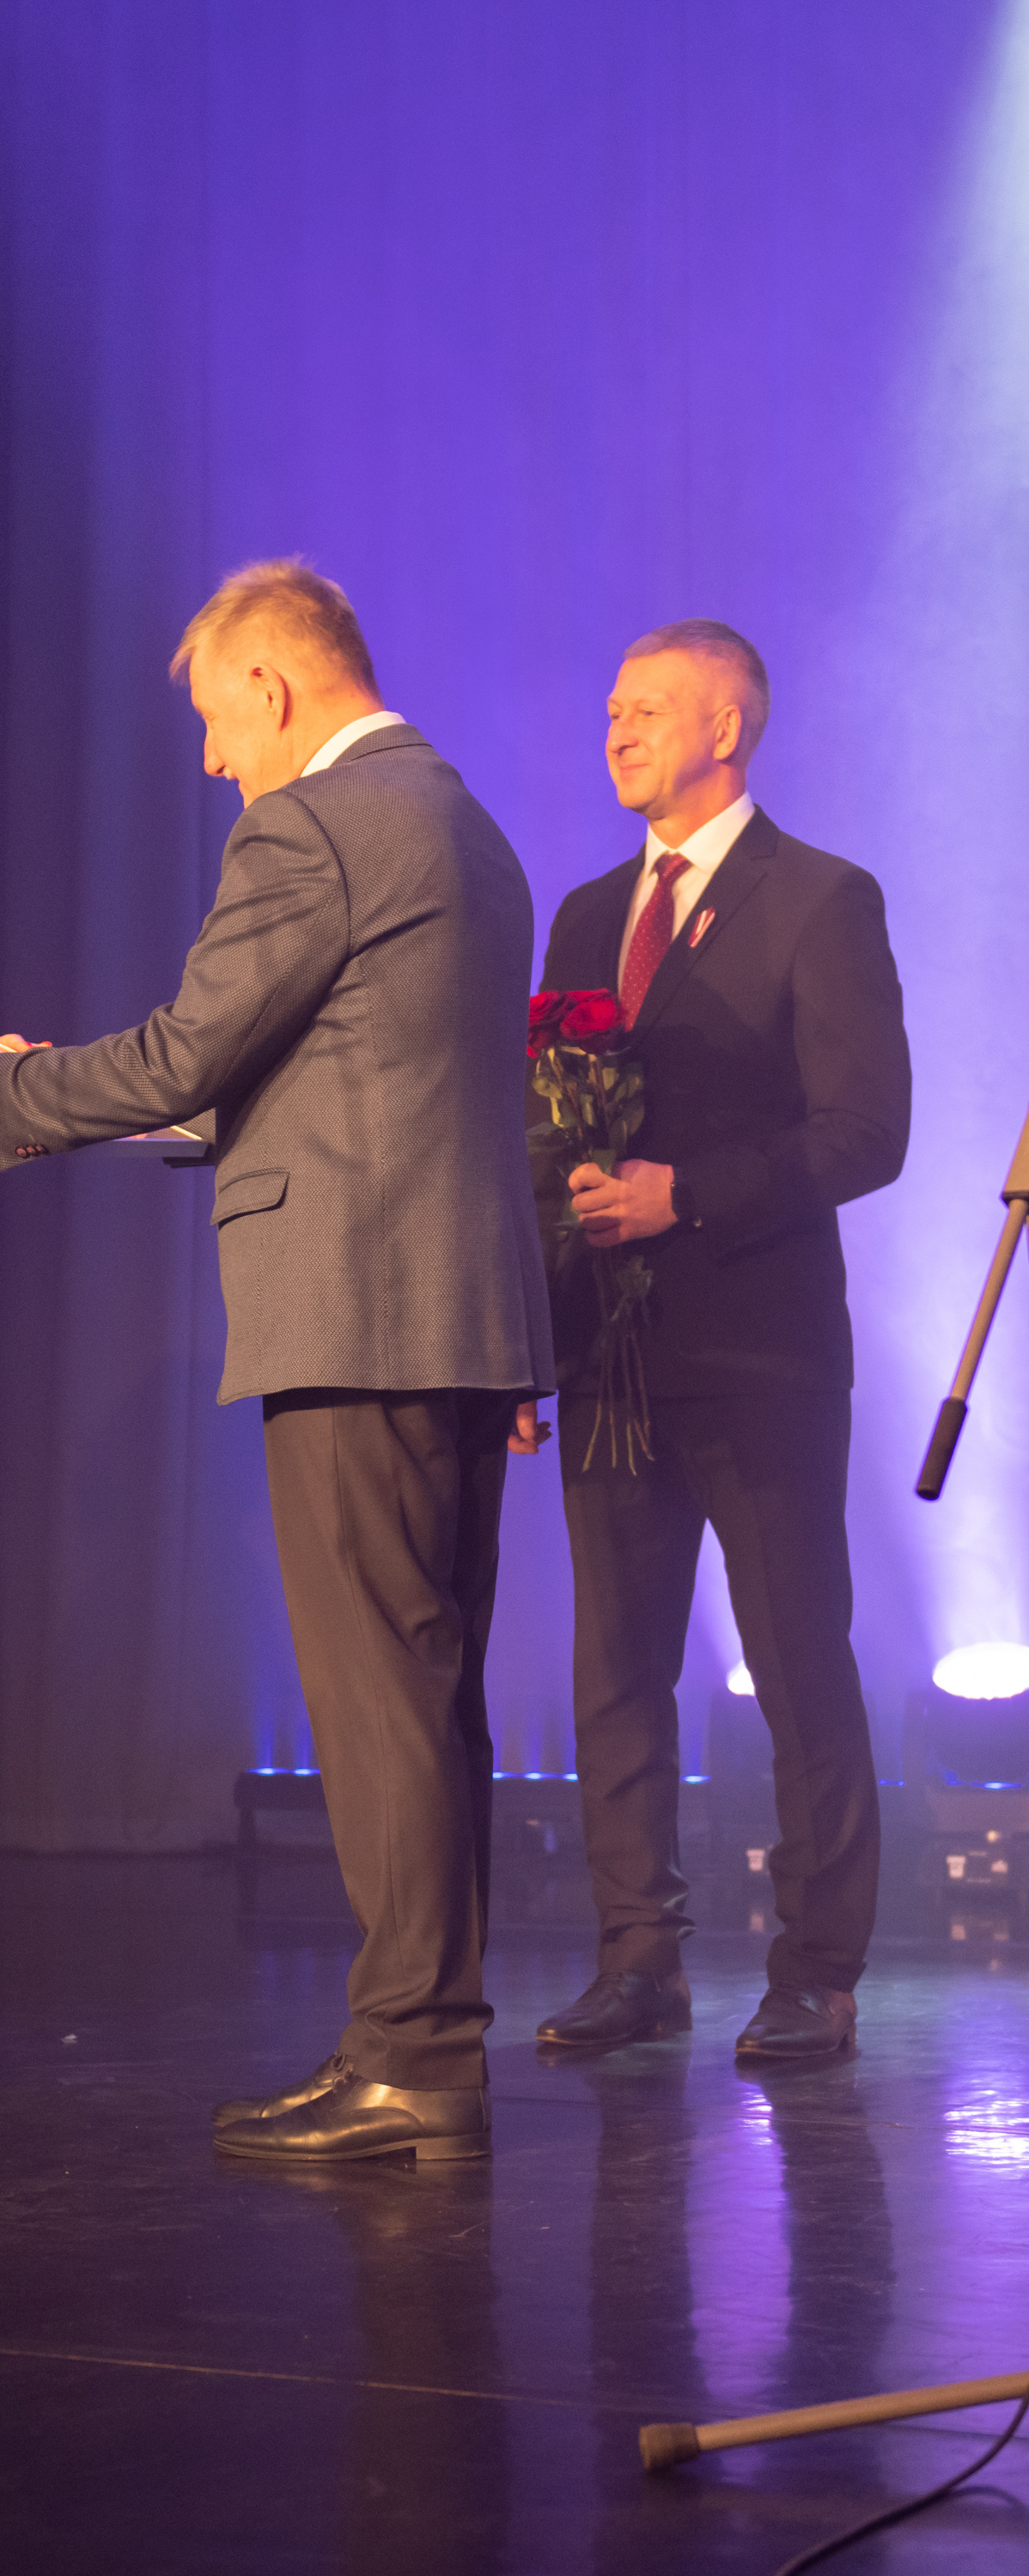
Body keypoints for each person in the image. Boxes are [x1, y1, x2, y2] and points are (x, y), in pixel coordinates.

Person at [0, 559, 553, 2162]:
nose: (212, 758)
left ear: (272, 687)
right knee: (430, 1697)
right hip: (460, 1315)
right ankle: (418, 2044)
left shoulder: (313, 824)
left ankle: (414, 2061)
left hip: (356, 1311)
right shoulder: (468, 824)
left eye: (215, 719)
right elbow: (329, 1075)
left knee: (380, 1699)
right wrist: (61, 1091)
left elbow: (191, 1049)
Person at [532, 619, 910, 2060]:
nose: (618, 728)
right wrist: (530, 1333)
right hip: (609, 1358)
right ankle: (640, 1960)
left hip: (761, 1357)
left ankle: (817, 1968)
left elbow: (866, 1131)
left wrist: (685, 1194)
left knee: (798, 1660)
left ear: (727, 727)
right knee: (616, 1672)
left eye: (647, 706)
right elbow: (547, 1140)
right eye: (610, 708)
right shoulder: (586, 917)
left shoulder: (819, 899)